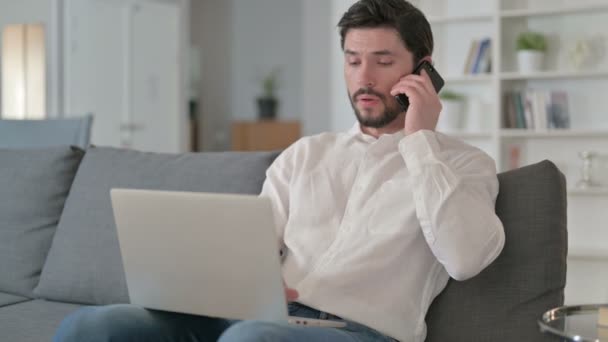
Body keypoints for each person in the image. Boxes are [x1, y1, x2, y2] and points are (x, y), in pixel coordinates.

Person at [53, 0, 505, 341]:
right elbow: (252, 248)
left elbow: (465, 258)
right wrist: (235, 282)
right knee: (97, 325)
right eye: (352, 60)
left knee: (248, 339)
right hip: (260, 318)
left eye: (383, 62)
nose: (364, 77)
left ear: (422, 69)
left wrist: (420, 140)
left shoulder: (461, 165)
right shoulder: (305, 154)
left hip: (355, 332)